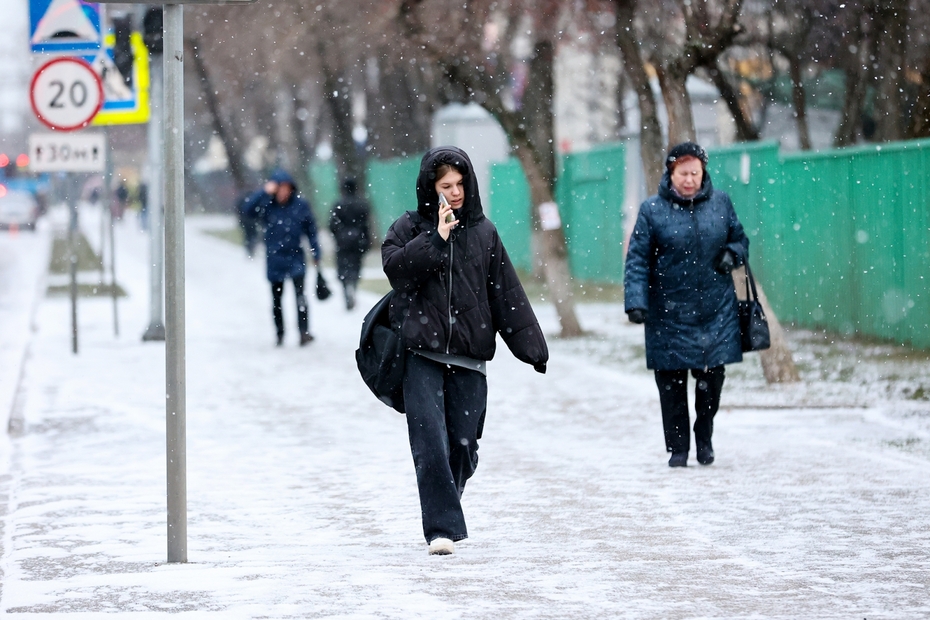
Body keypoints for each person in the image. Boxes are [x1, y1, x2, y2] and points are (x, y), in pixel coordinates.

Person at [382, 146, 549, 556]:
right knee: (430, 442)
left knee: (462, 446)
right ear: (430, 188)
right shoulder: (407, 228)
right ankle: (442, 529)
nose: (454, 193)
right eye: (445, 186)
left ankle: (446, 500)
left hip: (469, 357)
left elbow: (506, 294)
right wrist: (436, 238)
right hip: (421, 354)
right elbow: (396, 272)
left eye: (459, 185)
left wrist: (532, 348)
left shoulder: (485, 233)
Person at [623, 141, 749, 468]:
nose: (689, 179)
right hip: (668, 311)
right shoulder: (652, 210)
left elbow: (740, 239)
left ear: (703, 171)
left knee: (711, 381)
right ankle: (678, 448)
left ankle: (704, 435)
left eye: (695, 172)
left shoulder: (721, 203)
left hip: (714, 309)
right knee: (671, 385)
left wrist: (731, 254)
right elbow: (638, 259)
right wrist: (636, 301)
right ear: (671, 172)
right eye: (683, 173)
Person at [241, 170, 322, 347]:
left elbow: (311, 231)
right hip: (274, 259)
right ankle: (280, 333)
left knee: (300, 297)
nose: (284, 192)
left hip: (295, 257)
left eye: (287, 188)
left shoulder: (301, 205)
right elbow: (246, 210)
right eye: (280, 188)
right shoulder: (266, 205)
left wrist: (316, 253)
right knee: (277, 299)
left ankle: (303, 332)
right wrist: (263, 191)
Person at [328, 177, 371, 310]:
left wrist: (338, 235)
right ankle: (353, 284)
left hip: (342, 241)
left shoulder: (338, 204)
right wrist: (365, 240)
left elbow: (332, 225)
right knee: (356, 265)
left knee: (343, 267)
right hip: (358, 240)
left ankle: (346, 286)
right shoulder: (362, 204)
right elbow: (366, 225)